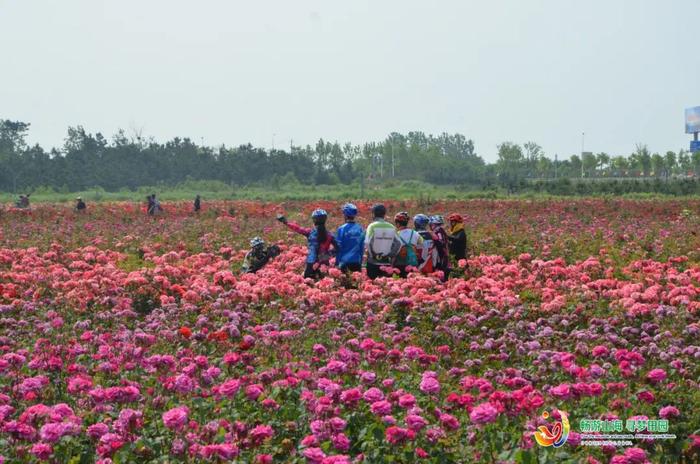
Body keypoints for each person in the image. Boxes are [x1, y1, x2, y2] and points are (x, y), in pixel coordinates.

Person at [278, 209, 336, 279]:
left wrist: (286, 222)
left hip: (311, 261)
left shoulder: (310, 232)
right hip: (324, 262)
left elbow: (298, 228)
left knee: (308, 282)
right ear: (325, 220)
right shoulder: (330, 235)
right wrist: (328, 254)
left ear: (314, 220)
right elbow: (337, 248)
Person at [365, 204, 401, 280]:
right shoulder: (391, 227)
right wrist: (390, 254)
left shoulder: (372, 226)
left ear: (373, 214)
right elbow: (399, 243)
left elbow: (367, 242)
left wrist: (373, 254)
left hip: (373, 262)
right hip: (386, 262)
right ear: (384, 214)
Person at [335, 203, 364, 273]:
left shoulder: (341, 229)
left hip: (344, 262)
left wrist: (337, 262)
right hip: (357, 262)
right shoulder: (359, 228)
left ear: (345, 215)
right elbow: (362, 247)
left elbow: (338, 247)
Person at [393, 211, 423, 278]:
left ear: (397, 224)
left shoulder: (396, 235)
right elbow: (421, 243)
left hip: (400, 264)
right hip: (413, 262)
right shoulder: (415, 233)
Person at [429, 215, 451, 282]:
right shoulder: (442, 231)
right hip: (445, 257)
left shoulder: (437, 232)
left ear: (433, 224)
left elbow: (440, 246)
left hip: (439, 258)